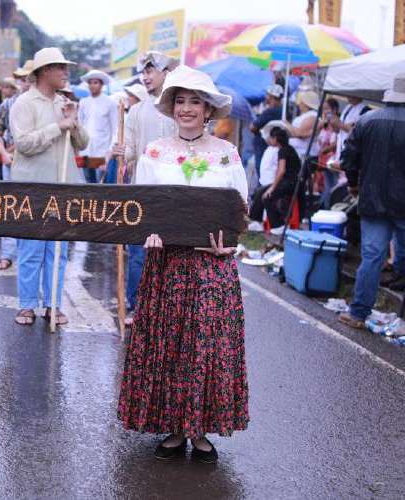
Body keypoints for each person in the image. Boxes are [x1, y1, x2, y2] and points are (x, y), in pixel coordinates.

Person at [118, 65, 249, 464]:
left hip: (213, 265)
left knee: (207, 347)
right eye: (180, 100)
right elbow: (144, 208)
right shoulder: (154, 153)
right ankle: (175, 426)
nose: (187, 108)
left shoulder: (226, 153)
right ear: (171, 107)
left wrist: (231, 245)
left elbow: (239, 207)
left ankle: (201, 427)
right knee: (171, 346)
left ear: (208, 109)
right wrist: (150, 235)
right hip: (168, 264)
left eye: (195, 101)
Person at [9, 47, 88, 326]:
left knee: (58, 250)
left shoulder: (64, 102)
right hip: (32, 188)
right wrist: (58, 126)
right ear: (44, 72)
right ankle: (27, 305)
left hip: (63, 187)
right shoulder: (24, 103)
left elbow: (82, 143)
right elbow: (25, 144)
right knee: (31, 249)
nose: (66, 73)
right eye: (61, 68)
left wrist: (73, 121)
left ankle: (53, 305)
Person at [338, 72, 405, 329]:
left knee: (372, 257)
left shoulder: (367, 121)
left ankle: (359, 313)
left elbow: (348, 160)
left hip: (373, 202)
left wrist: (353, 185)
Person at [111, 51, 177, 326]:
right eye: (144, 72)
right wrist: (121, 151)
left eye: (151, 71)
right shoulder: (136, 111)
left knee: (171, 249)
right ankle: (136, 305)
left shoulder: (178, 107)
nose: (146, 76)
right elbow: (130, 151)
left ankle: (167, 308)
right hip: (143, 190)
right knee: (139, 251)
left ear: (165, 73)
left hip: (174, 191)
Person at [0, 61, 32, 271]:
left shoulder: (41, 104)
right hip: (12, 161)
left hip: (34, 161)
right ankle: (7, 254)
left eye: (28, 79)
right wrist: (4, 154)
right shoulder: (8, 104)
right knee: (10, 206)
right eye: (22, 79)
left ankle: (29, 253)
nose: (25, 83)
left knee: (33, 206)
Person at [247, 123, 300, 234]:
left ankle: (279, 225)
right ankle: (257, 221)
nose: (270, 140)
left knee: (267, 196)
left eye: (271, 138)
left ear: (275, 139)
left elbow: (281, 171)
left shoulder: (283, 151)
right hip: (289, 182)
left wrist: (271, 188)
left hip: (290, 184)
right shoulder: (289, 149)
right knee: (260, 191)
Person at [77, 70, 117, 184]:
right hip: (85, 151)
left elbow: (115, 129)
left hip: (102, 151)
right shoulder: (83, 102)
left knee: (100, 184)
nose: (92, 85)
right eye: (90, 83)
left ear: (101, 84)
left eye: (95, 82)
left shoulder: (110, 103)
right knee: (85, 183)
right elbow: (80, 126)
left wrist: (110, 151)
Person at [250, 84, 284, 177]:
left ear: (271, 96)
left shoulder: (270, 111)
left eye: (268, 95)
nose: (266, 97)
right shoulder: (283, 110)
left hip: (263, 144)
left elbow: (253, 127)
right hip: (275, 144)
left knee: (262, 170)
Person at [316, 98, 340, 208]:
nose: (325, 111)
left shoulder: (337, 123)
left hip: (334, 160)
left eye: (327, 109)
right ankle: (324, 207)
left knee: (334, 186)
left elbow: (338, 142)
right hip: (324, 162)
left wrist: (327, 150)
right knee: (327, 186)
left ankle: (329, 207)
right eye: (323, 109)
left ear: (334, 110)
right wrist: (322, 124)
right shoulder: (323, 124)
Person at [287, 91, 321, 160]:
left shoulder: (313, 116)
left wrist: (287, 125)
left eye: (301, 102)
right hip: (297, 152)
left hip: (304, 154)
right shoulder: (307, 115)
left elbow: (300, 133)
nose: (299, 104)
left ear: (306, 104)